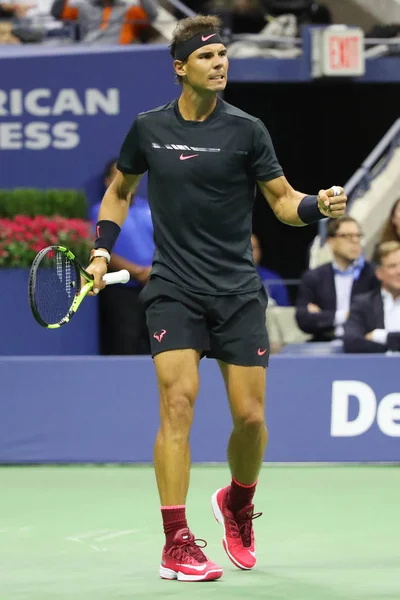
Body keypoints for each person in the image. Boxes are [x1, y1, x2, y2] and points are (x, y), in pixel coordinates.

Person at [85, 14, 347, 582]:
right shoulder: (148, 128)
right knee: (177, 405)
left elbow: (281, 201)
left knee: (250, 419)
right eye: (207, 57)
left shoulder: (248, 130)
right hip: (174, 288)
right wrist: (102, 252)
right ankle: (175, 540)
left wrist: (316, 208)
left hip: (236, 291)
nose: (220, 63)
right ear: (181, 68)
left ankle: (236, 501)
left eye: (224, 55)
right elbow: (118, 192)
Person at [90, 159, 154, 355]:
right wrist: (136, 272)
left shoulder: (152, 209)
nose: (126, 182)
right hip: (121, 291)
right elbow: (99, 248)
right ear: (108, 181)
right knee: (125, 346)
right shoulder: (99, 212)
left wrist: (155, 270)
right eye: (118, 177)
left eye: (130, 177)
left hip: (156, 286)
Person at [296, 216, 378, 342]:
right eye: (347, 236)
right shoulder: (314, 277)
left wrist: (323, 316)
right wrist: (344, 315)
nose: (355, 241)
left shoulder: (374, 274)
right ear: (331, 241)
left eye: (358, 236)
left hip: (364, 344)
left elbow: (376, 317)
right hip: (324, 344)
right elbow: (303, 320)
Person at [343, 241, 400, 353]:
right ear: (379, 273)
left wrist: (380, 336)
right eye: (392, 266)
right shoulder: (363, 304)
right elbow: (351, 342)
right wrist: (389, 350)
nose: (399, 271)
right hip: (379, 368)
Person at [251, 233, 290, 306]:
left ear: (260, 251)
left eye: (253, 248)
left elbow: (284, 310)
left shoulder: (273, 279)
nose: (250, 253)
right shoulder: (228, 279)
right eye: (245, 249)